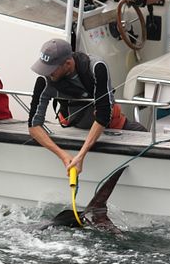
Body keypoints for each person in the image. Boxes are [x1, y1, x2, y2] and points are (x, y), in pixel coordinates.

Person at [28, 39, 146, 174]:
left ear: (68, 63)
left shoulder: (96, 67)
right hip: (75, 130)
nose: (47, 73)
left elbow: (103, 116)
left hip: (112, 127)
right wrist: (62, 155)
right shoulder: (44, 80)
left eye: (51, 70)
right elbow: (33, 126)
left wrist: (81, 155)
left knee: (142, 132)